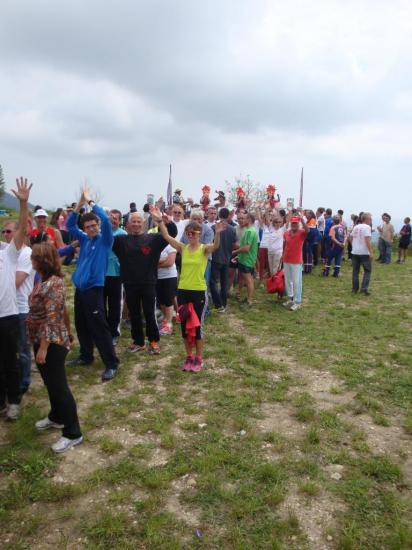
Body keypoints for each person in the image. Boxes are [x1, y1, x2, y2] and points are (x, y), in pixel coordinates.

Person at [151, 205, 225, 371]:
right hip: (183, 292)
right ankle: (189, 357)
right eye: (188, 233)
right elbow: (166, 236)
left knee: (197, 328)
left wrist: (218, 233)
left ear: (199, 235)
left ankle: (199, 358)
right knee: (185, 328)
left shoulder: (203, 249)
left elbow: (215, 246)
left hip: (198, 291)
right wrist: (159, 221)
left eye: (194, 233)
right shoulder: (183, 249)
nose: (190, 236)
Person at [28, 242, 83, 453]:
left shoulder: (54, 284)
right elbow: (64, 313)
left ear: (42, 260)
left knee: (59, 386)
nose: (31, 260)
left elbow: (52, 319)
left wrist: (43, 348)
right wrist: (69, 332)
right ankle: (57, 417)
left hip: (51, 343)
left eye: (34, 257)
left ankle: (73, 433)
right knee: (50, 383)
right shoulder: (44, 280)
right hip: (41, 340)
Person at [66, 187, 120, 381]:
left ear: (97, 225)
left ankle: (112, 363)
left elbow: (106, 220)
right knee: (81, 324)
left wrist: (90, 202)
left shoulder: (106, 240)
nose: (90, 229)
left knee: (99, 327)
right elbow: (70, 225)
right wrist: (78, 205)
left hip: (94, 290)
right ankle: (86, 356)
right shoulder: (84, 239)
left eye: (93, 226)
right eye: (87, 226)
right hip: (80, 290)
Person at [112, 211, 177, 354]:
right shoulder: (120, 240)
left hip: (148, 283)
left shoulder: (153, 239)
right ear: (128, 224)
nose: (136, 224)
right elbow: (105, 238)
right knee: (134, 314)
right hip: (130, 283)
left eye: (138, 222)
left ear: (143, 223)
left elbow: (172, 232)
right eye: (133, 221)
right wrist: (109, 220)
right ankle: (138, 342)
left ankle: (153, 342)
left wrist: (163, 221)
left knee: (149, 313)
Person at [0, 178, 32, 420]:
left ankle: (14, 401)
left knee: (10, 361)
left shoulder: (8, 254)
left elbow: (22, 228)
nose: (6, 234)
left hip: (8, 315)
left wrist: (23, 203)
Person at [1, 220, 35, 395]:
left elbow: (16, 282)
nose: (6, 235)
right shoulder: (5, 253)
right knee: (8, 351)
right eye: (3, 232)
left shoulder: (26, 253)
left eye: (9, 231)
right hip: (7, 309)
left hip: (21, 308)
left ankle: (23, 383)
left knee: (22, 349)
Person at [104, 209, 127, 345]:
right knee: (101, 305)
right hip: (101, 274)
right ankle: (103, 331)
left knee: (114, 306)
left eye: (115, 220)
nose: (113, 222)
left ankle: (113, 332)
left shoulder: (123, 234)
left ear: (119, 221)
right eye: (110, 219)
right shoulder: (102, 233)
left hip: (116, 275)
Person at [209, 207, 237, 312]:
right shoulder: (232, 229)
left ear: (219, 215)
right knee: (224, 282)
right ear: (228, 216)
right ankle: (223, 304)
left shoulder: (213, 227)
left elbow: (210, 242)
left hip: (215, 258)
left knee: (213, 282)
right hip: (227, 258)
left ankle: (218, 303)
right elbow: (235, 245)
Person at [282, 214, 309, 311]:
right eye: (293, 223)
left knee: (297, 282)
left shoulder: (301, 233)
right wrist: (282, 255)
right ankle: (290, 298)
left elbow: (307, 230)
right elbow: (285, 245)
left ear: (298, 224)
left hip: (296, 261)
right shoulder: (287, 233)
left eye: (295, 223)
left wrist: (302, 219)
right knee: (288, 280)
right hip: (286, 260)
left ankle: (297, 301)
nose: (294, 225)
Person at [233, 212, 259, 307]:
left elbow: (246, 248)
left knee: (248, 281)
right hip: (246, 259)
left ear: (249, 219)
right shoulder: (252, 230)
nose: (242, 220)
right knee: (249, 280)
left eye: (245, 218)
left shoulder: (249, 231)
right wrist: (238, 256)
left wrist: (234, 252)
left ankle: (249, 301)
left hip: (247, 260)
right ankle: (248, 298)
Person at [348, 212, 373, 295]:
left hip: (355, 252)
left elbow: (350, 237)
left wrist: (354, 245)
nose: (371, 220)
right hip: (364, 252)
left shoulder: (356, 227)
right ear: (366, 219)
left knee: (355, 271)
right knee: (367, 270)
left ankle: (354, 289)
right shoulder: (367, 227)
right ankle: (364, 289)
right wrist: (370, 252)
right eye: (370, 219)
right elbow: (367, 240)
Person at [157, 244, 177, 335]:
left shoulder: (171, 246)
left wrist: (156, 263)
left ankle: (169, 325)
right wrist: (163, 260)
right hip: (157, 277)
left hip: (169, 276)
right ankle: (165, 321)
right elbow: (149, 259)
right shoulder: (156, 244)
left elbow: (170, 262)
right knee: (161, 301)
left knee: (168, 301)